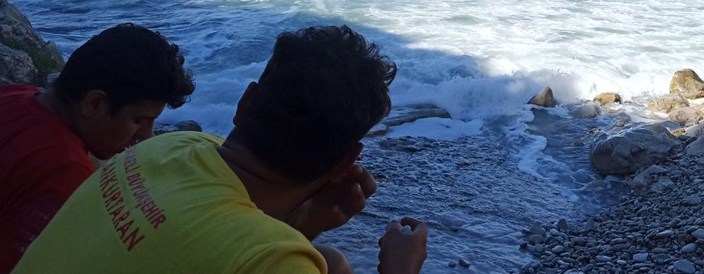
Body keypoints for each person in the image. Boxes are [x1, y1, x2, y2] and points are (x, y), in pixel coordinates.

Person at [15, 25, 428, 274]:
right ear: (345, 162)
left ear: (244, 104)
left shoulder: (171, 148)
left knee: (331, 263)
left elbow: (212, 236)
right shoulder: (274, 262)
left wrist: (305, 220)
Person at [0, 23, 195, 274]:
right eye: (139, 120)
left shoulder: (17, 95)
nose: (147, 136)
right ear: (94, 104)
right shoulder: (65, 171)